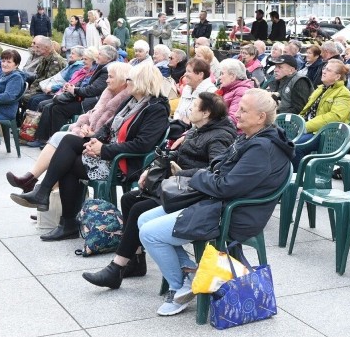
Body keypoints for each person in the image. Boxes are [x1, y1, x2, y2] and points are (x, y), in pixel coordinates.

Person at [138, 88, 293, 315]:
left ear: (261, 117)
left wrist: (198, 176)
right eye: (238, 108)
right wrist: (199, 176)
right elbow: (222, 172)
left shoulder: (262, 148)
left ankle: (179, 287)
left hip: (233, 214)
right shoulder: (254, 137)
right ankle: (191, 274)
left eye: (243, 110)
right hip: (218, 203)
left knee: (149, 233)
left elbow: (226, 186)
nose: (236, 113)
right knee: (144, 219)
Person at [82, 92, 238, 290]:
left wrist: (180, 172)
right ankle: (136, 260)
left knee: (140, 208)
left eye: (194, 106)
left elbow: (216, 169)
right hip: (177, 185)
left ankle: (116, 267)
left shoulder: (219, 136)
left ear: (206, 113)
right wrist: (153, 168)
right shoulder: (197, 129)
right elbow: (179, 154)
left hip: (193, 192)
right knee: (129, 199)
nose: (189, 108)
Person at [12, 62, 171, 241]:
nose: (127, 84)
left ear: (142, 82)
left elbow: (142, 145)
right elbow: (109, 127)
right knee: (69, 141)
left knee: (69, 163)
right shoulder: (132, 101)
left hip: (125, 163)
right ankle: (49, 199)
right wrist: (95, 138)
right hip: (111, 152)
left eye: (130, 80)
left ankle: (58, 211)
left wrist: (103, 149)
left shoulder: (156, 108)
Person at [6, 62, 133, 194]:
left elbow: (112, 129)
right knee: (58, 135)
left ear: (122, 79)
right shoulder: (108, 93)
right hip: (90, 137)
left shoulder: (125, 99)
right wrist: (82, 126)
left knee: (61, 142)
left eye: (111, 77)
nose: (107, 80)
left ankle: (37, 188)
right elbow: (92, 114)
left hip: (102, 147)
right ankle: (40, 192)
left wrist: (93, 134)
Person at [32, 45, 117, 146]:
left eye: (100, 54)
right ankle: (46, 139)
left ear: (109, 58)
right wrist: (72, 88)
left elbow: (93, 90)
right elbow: (82, 83)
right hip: (83, 97)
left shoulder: (106, 70)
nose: (97, 56)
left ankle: (56, 141)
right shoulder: (100, 66)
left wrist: (74, 90)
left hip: (90, 102)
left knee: (57, 109)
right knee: (50, 106)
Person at [294, 59, 350, 166]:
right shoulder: (320, 88)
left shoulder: (344, 93)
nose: (324, 71)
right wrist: (297, 122)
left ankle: (298, 178)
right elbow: (306, 111)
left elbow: (335, 117)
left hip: (326, 134)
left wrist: (305, 126)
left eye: (329, 70)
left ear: (337, 77)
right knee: (278, 140)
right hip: (310, 129)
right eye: (324, 68)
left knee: (294, 146)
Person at [22, 37, 67, 108]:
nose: (35, 49)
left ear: (46, 48)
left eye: (38, 47)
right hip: (39, 88)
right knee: (18, 94)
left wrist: (32, 90)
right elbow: (38, 76)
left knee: (27, 98)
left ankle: (30, 118)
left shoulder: (55, 61)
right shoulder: (44, 58)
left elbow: (48, 81)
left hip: (50, 91)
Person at [173, 58, 217, 125]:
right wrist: (178, 122)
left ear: (200, 75)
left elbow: (209, 120)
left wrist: (190, 124)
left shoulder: (211, 92)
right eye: (186, 71)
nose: (185, 74)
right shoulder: (186, 89)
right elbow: (178, 111)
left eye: (189, 71)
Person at [217, 58, 255, 127]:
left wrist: (210, 120)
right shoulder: (226, 89)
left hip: (233, 134)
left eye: (222, 74)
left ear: (232, 76)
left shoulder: (241, 91)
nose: (219, 77)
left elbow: (234, 120)